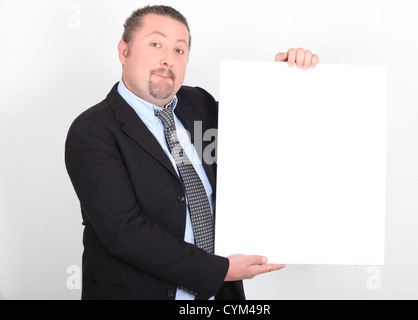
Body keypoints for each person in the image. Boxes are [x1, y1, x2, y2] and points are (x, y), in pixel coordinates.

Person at [65, 5, 319, 300]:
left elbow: (263, 139)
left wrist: (282, 80)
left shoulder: (199, 105)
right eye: (156, 44)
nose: (167, 60)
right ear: (124, 52)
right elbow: (126, 233)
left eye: (179, 50)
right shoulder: (93, 130)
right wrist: (220, 270)